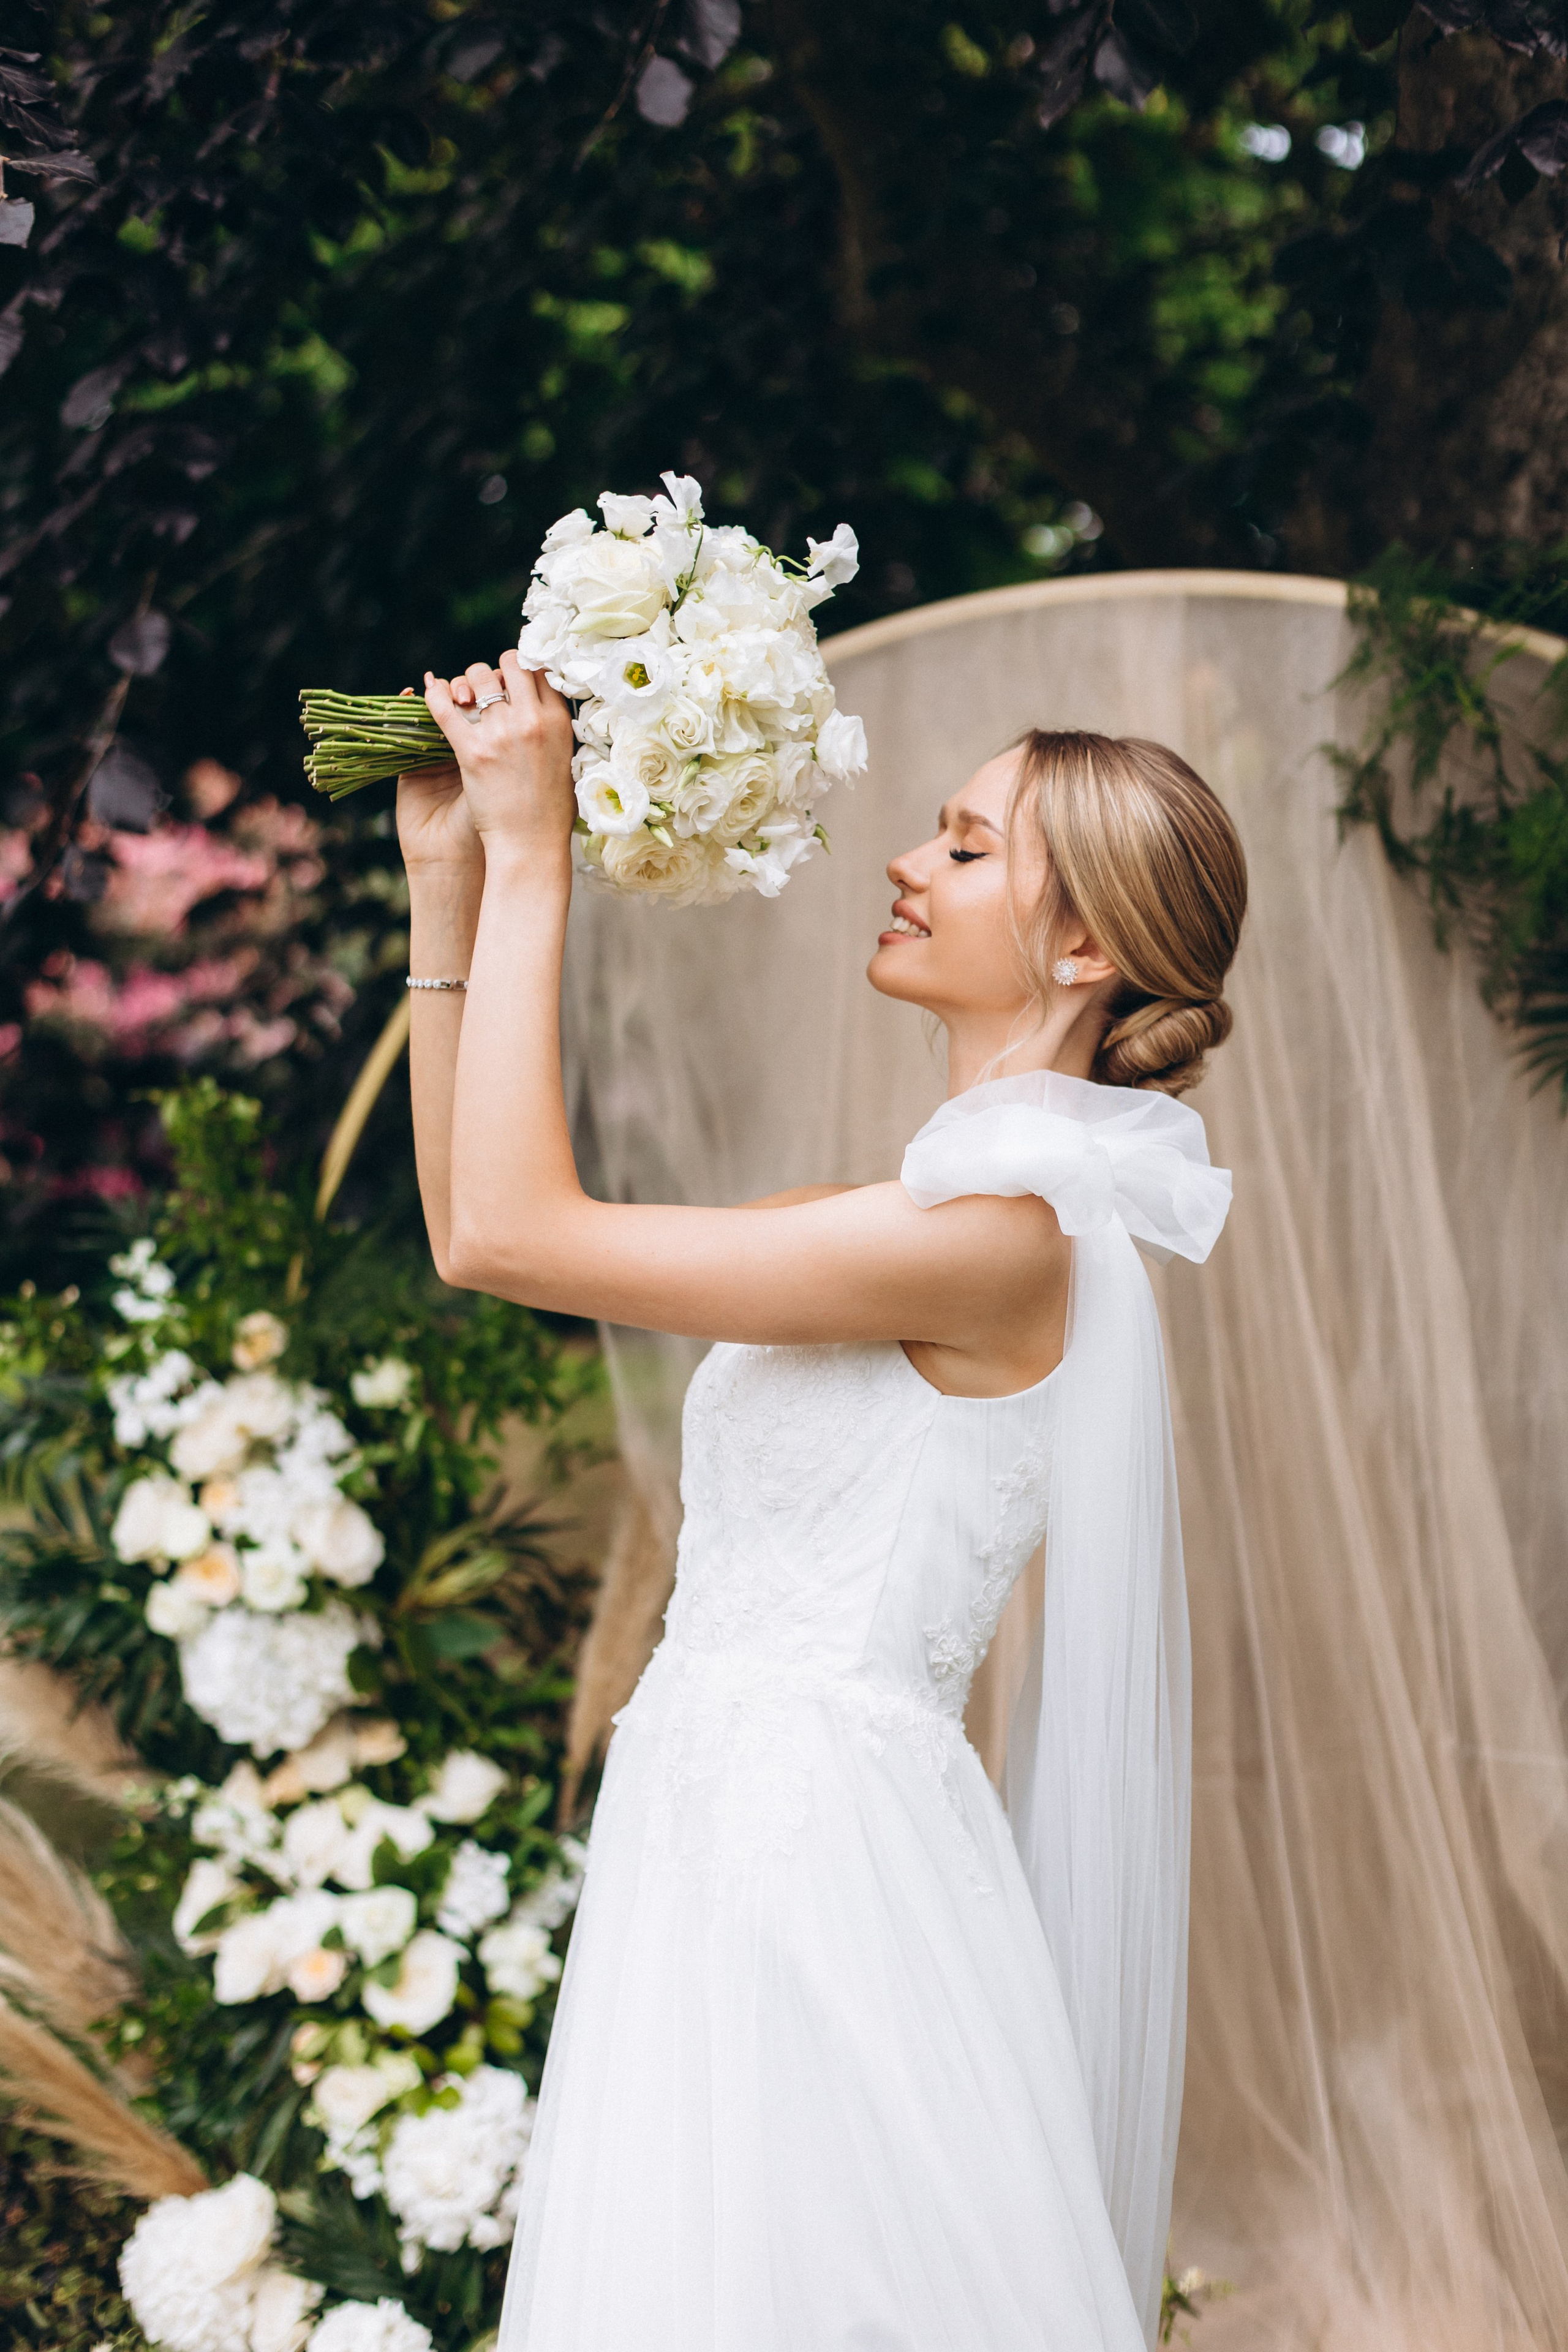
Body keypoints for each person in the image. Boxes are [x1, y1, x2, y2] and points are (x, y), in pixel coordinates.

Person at [400, 650, 1247, 2352]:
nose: (906, 864)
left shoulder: (994, 1243)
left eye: (965, 845)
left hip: (819, 1877)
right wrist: (453, 892)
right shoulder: (897, 1216)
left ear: (1084, 950)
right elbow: (475, 1231)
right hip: (719, 1829)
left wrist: (545, 851)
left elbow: (512, 1226)